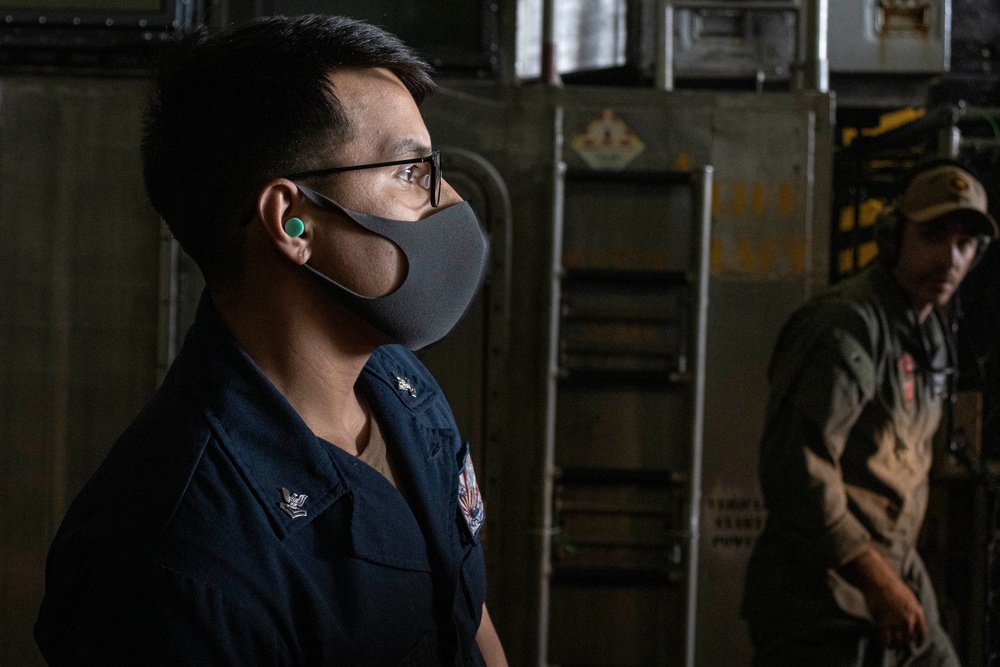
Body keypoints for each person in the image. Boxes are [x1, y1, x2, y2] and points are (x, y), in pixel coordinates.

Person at [34, 15, 506, 666]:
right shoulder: (173, 557)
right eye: (410, 172)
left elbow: (465, 608)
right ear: (292, 220)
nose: (448, 200)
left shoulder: (400, 385)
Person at [742, 162, 998, 666]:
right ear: (893, 236)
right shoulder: (847, 326)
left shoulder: (924, 331)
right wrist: (881, 583)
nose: (951, 257)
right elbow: (797, 470)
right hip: (820, 603)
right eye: (933, 236)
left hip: (889, 578)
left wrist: (907, 587)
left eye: (966, 243)